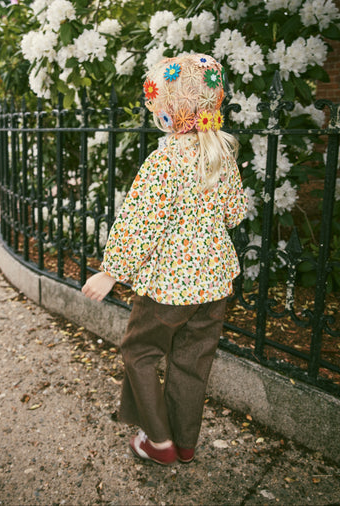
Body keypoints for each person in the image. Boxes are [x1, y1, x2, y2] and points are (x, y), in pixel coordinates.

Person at [82, 53, 247, 465]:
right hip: (213, 283)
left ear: (170, 109)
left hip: (169, 286)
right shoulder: (221, 156)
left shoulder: (165, 161)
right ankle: (186, 443)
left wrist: (111, 271)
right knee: (193, 362)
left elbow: (141, 220)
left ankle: (159, 442)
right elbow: (234, 213)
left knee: (139, 351)